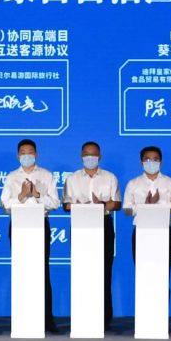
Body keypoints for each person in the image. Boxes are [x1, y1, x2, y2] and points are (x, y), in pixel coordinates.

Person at [0, 139, 62, 333]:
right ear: (18, 155)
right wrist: (21, 195)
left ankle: (46, 320)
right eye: (23, 152)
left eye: (30, 152)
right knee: (21, 271)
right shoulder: (12, 177)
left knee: (42, 271)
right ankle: (22, 319)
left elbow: (55, 203)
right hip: (18, 225)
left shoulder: (46, 175)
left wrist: (35, 194)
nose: (26, 155)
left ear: (36, 154)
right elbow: (5, 204)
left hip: (39, 224)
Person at [63, 140, 121, 330]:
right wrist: (82, 206)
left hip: (103, 224)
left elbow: (117, 203)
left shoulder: (110, 177)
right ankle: (82, 315)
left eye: (93, 154)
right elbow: (66, 205)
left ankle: (104, 318)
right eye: (86, 154)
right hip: (80, 226)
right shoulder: (72, 179)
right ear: (81, 156)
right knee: (81, 270)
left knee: (104, 271)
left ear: (99, 157)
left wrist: (101, 205)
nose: (90, 157)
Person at [123, 145, 171, 308]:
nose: (151, 163)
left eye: (155, 159)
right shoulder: (133, 183)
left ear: (161, 162)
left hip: (163, 231)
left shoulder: (170, 182)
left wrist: (159, 205)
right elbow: (127, 209)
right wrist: (145, 205)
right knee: (143, 273)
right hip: (141, 232)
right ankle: (145, 313)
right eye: (147, 159)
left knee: (163, 274)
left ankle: (161, 314)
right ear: (141, 162)